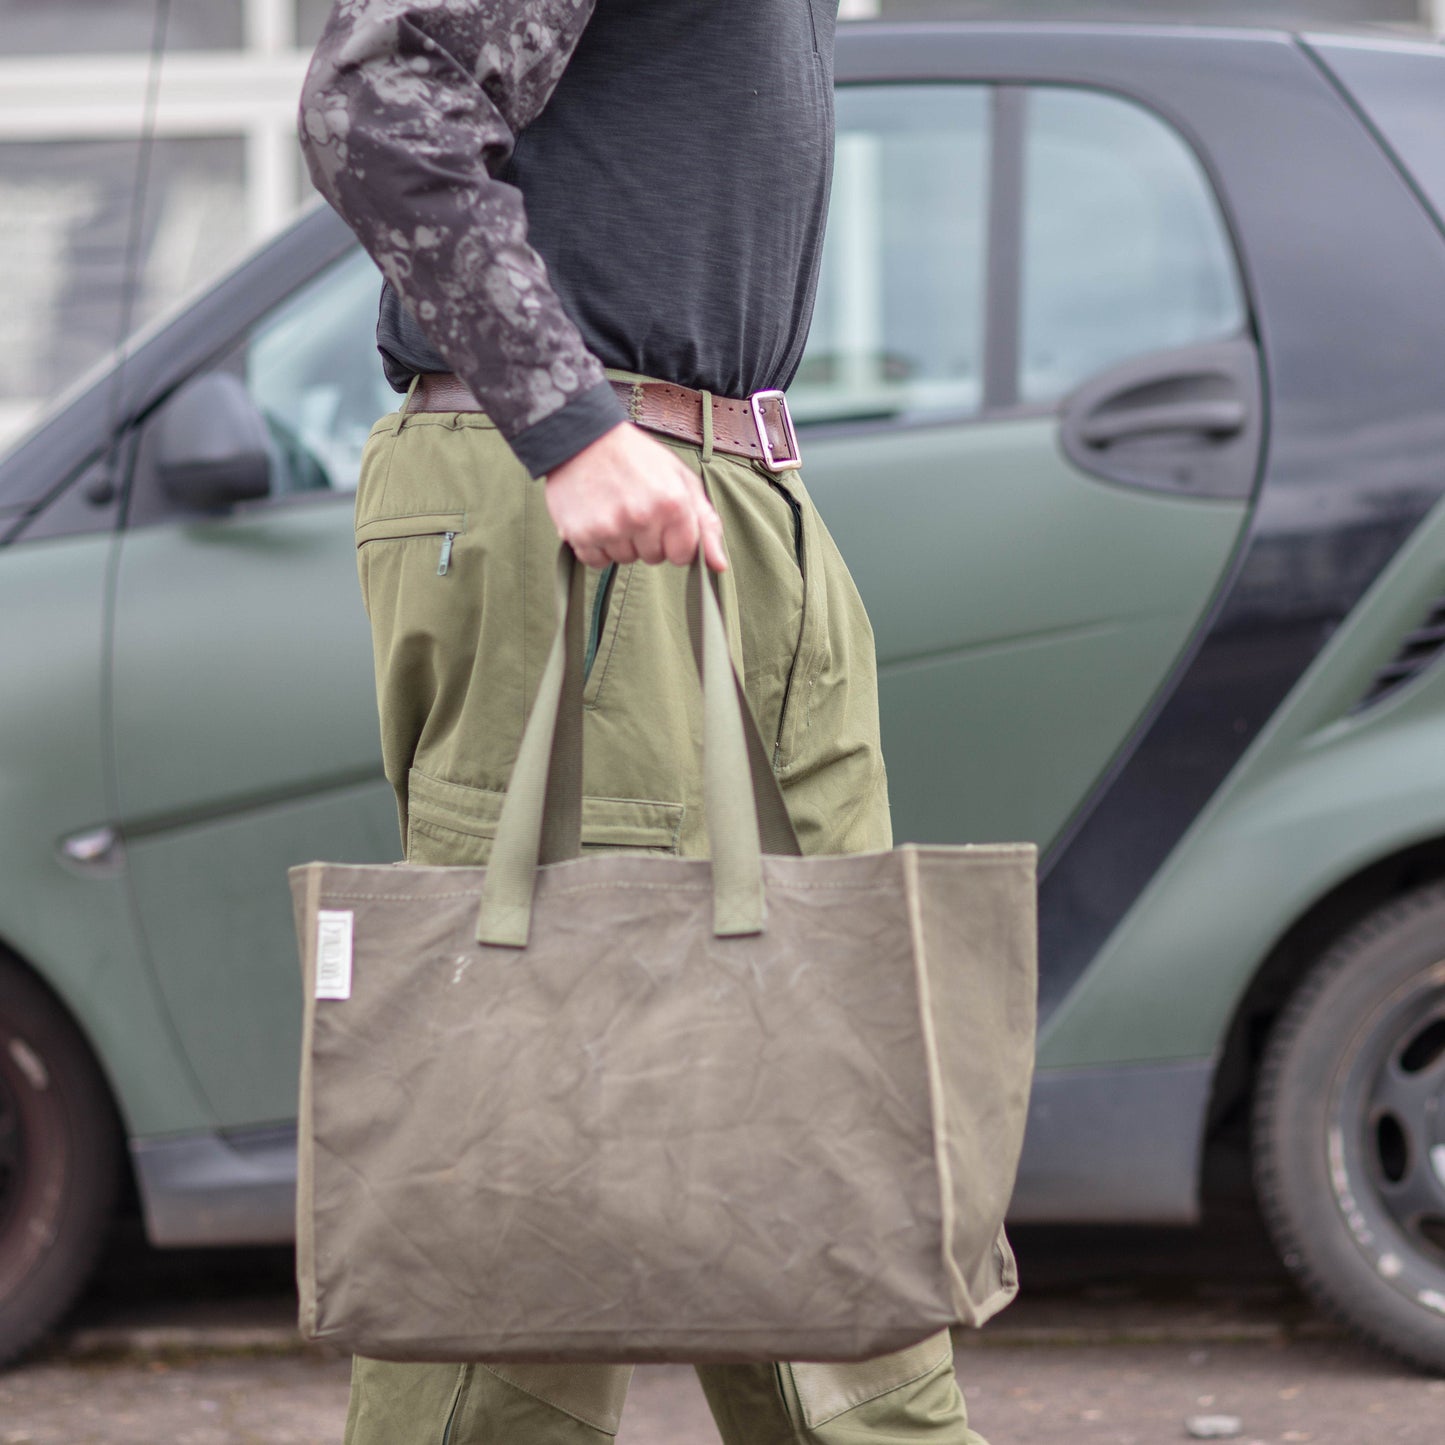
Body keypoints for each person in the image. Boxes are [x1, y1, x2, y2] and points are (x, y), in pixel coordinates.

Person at [299, 3, 1002, 1441]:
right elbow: (380, 105)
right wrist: (568, 425)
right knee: (544, 1094)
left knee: (821, 1077)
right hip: (589, 492)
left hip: (732, 485)